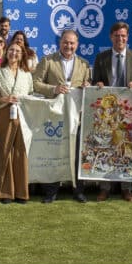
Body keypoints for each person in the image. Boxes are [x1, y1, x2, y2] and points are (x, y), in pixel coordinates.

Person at [32, 29, 91, 203]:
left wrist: (88, 85)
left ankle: (78, 190)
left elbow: (88, 86)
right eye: (66, 42)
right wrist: (54, 89)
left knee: (77, 152)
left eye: (72, 43)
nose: (69, 46)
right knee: (54, 151)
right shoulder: (47, 60)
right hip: (54, 115)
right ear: (60, 43)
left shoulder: (84, 63)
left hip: (75, 115)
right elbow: (35, 83)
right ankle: (51, 191)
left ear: (77, 45)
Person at [90, 22, 132, 202]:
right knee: (106, 146)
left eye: (123, 36)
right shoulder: (102, 57)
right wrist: (97, 84)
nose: (120, 39)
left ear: (127, 37)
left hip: (128, 110)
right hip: (108, 112)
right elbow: (95, 80)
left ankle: (126, 188)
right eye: (116, 36)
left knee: (127, 147)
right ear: (111, 37)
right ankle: (104, 188)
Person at [0, 41, 34, 204]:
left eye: (17, 51)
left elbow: (31, 94)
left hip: (22, 117)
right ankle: (6, 192)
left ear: (22, 55)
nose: (14, 53)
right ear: (6, 52)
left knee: (20, 153)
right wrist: (5, 99)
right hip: (4, 113)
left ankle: (21, 192)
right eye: (11, 50)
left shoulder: (27, 74)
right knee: (5, 152)